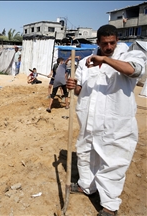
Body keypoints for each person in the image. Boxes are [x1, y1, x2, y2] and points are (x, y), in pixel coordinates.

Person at [66, 24, 146, 216]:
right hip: (88, 120)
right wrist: (73, 85)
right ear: (98, 42)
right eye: (104, 44)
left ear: (117, 40)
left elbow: (134, 71)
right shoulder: (86, 62)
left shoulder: (129, 56)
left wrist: (105, 60)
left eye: (112, 43)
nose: (109, 47)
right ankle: (87, 186)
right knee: (85, 154)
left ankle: (109, 206)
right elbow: (80, 90)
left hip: (115, 124)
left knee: (113, 161)